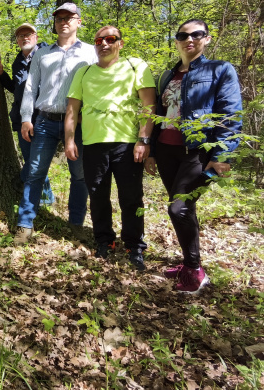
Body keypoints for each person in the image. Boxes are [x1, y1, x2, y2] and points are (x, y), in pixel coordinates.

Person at [145, 19, 242, 293]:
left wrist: (222, 154)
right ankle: (190, 261)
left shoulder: (219, 69)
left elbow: (230, 113)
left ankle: (195, 272)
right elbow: (158, 115)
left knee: (179, 207)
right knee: (184, 209)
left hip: (197, 152)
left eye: (196, 34)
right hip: (166, 150)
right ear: (176, 41)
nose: (189, 39)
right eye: (182, 35)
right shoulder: (167, 76)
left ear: (207, 38)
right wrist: (152, 149)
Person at [64, 26, 156, 271]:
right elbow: (72, 109)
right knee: (98, 196)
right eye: (98, 40)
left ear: (120, 43)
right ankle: (105, 240)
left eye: (110, 39)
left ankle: (134, 245)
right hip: (93, 144)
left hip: (127, 144)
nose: (103, 43)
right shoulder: (83, 73)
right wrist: (70, 140)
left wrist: (143, 140)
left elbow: (148, 105)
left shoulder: (135, 66)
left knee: (131, 197)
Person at [16, 3, 97, 244]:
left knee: (79, 175)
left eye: (69, 18)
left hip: (79, 124)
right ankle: (24, 223)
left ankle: (75, 224)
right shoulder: (43, 53)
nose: (64, 22)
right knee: (35, 172)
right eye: (59, 18)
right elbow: (30, 87)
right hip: (44, 122)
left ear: (78, 22)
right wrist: (26, 118)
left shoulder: (91, 53)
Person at [0, 22, 55, 203]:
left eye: (28, 34)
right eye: (20, 36)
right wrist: (2, 74)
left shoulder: (47, 55)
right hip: (22, 119)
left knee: (36, 162)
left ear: (36, 37)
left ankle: (28, 187)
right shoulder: (18, 62)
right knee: (31, 159)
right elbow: (16, 88)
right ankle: (47, 198)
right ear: (18, 42)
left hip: (44, 118)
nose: (24, 38)